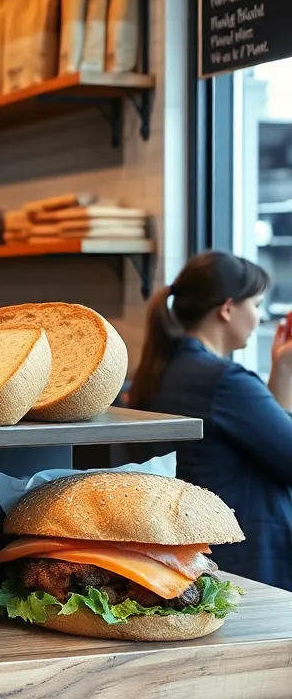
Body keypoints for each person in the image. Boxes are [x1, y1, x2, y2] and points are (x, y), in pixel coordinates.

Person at [130, 250, 292, 591]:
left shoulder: (163, 370)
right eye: (257, 304)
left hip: (194, 552)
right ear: (228, 308)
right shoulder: (225, 382)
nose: (260, 318)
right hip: (248, 561)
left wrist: (283, 370)